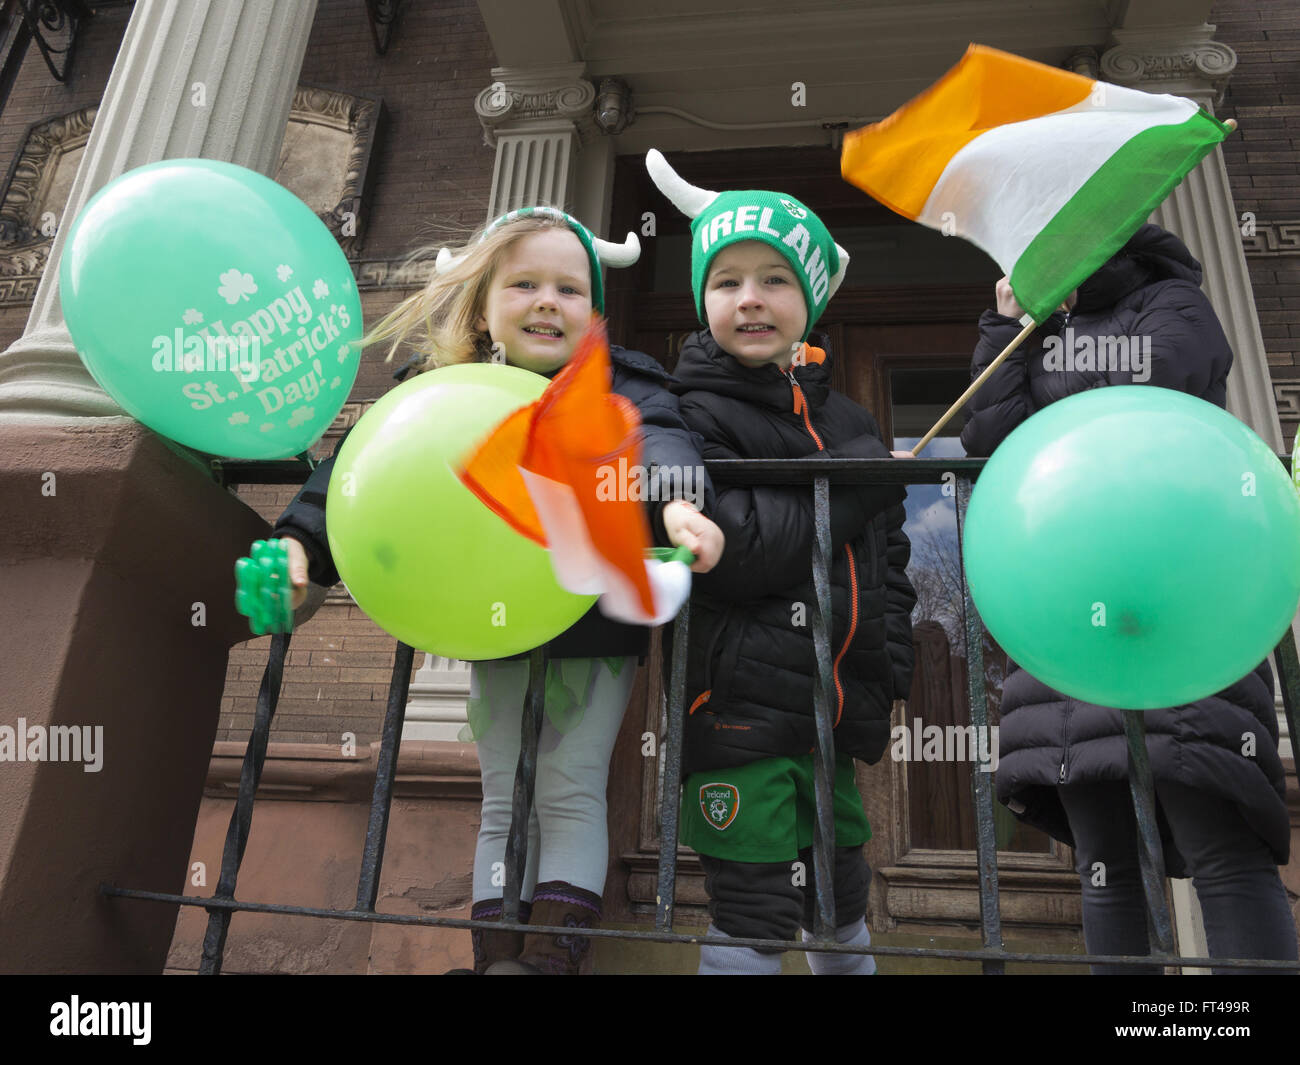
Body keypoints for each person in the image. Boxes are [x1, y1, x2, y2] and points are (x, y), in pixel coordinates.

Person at [271, 206, 725, 974]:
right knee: (502, 796)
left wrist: (676, 497)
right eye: (524, 284)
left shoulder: (628, 381)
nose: (549, 300)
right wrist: (298, 543)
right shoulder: (436, 391)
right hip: (488, 622)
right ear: (483, 308)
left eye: (570, 289)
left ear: (595, 313)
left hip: (592, 624)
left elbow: (663, 441)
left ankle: (552, 956)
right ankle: (495, 958)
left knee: (571, 785)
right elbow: (354, 471)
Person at [961, 223, 1297, 974]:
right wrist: (1010, 326)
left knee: (1221, 848)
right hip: (1066, 622)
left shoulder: (1170, 300)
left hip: (1175, 603)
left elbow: (1145, 402)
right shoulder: (1030, 332)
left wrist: (1068, 325)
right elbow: (995, 443)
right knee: (1104, 861)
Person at [645, 149, 916, 975]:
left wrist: (892, 657)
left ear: (812, 299)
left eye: (776, 279)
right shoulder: (687, 411)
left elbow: (890, 559)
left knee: (840, 901)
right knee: (755, 909)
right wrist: (851, 493)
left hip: (834, 712)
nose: (751, 298)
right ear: (703, 302)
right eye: (727, 282)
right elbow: (735, 548)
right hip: (739, 710)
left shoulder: (856, 424)